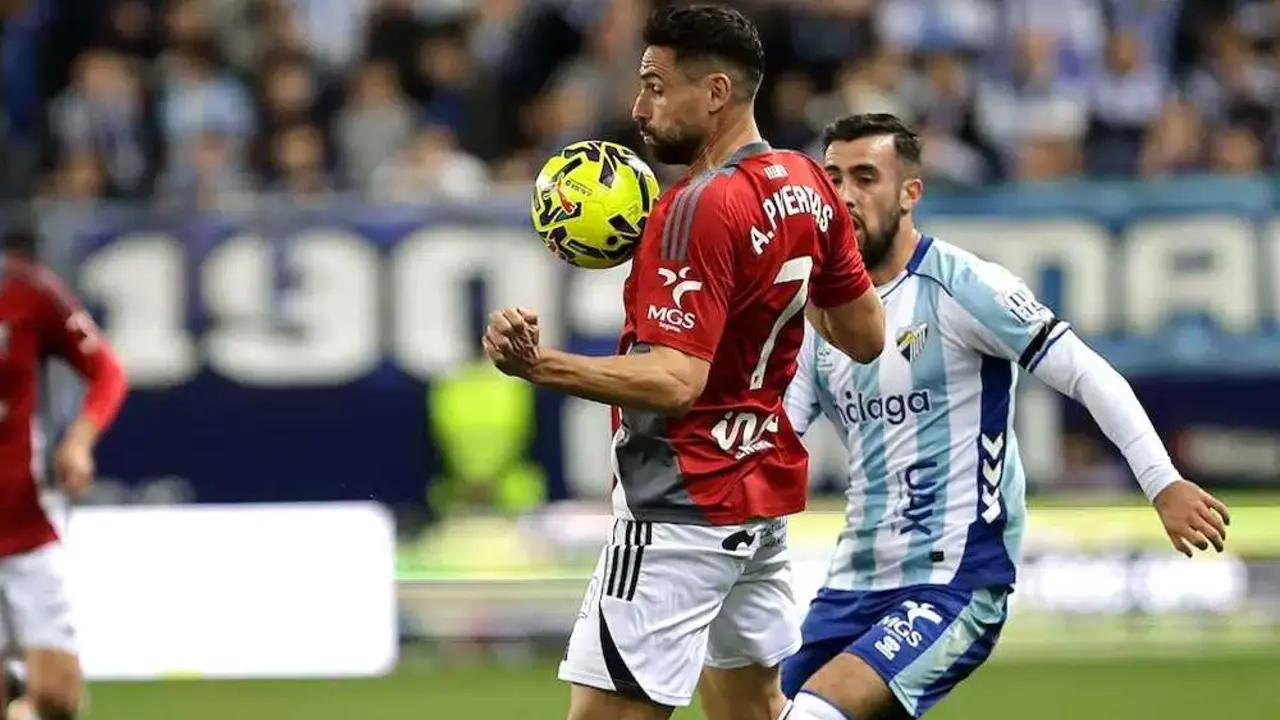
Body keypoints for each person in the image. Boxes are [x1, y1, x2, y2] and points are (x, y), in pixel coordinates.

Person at [482, 5, 886, 720]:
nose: (639, 108)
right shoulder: (805, 182)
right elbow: (864, 334)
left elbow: (675, 380)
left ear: (717, 93)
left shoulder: (695, 207)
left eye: (656, 87)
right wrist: (772, 286)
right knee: (752, 712)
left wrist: (538, 365)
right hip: (757, 502)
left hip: (680, 507)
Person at [778, 113, 1232, 720]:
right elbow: (775, 435)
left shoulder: (965, 286)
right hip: (849, 582)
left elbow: (1087, 374)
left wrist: (1162, 480)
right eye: (832, 179)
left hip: (952, 583)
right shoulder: (818, 316)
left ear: (911, 193)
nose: (844, 198)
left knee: (815, 714)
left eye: (865, 178)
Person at [0, 231, 129, 720]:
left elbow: (107, 372)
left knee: (57, 701)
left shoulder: (29, 291)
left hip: (28, 525)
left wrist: (79, 441)